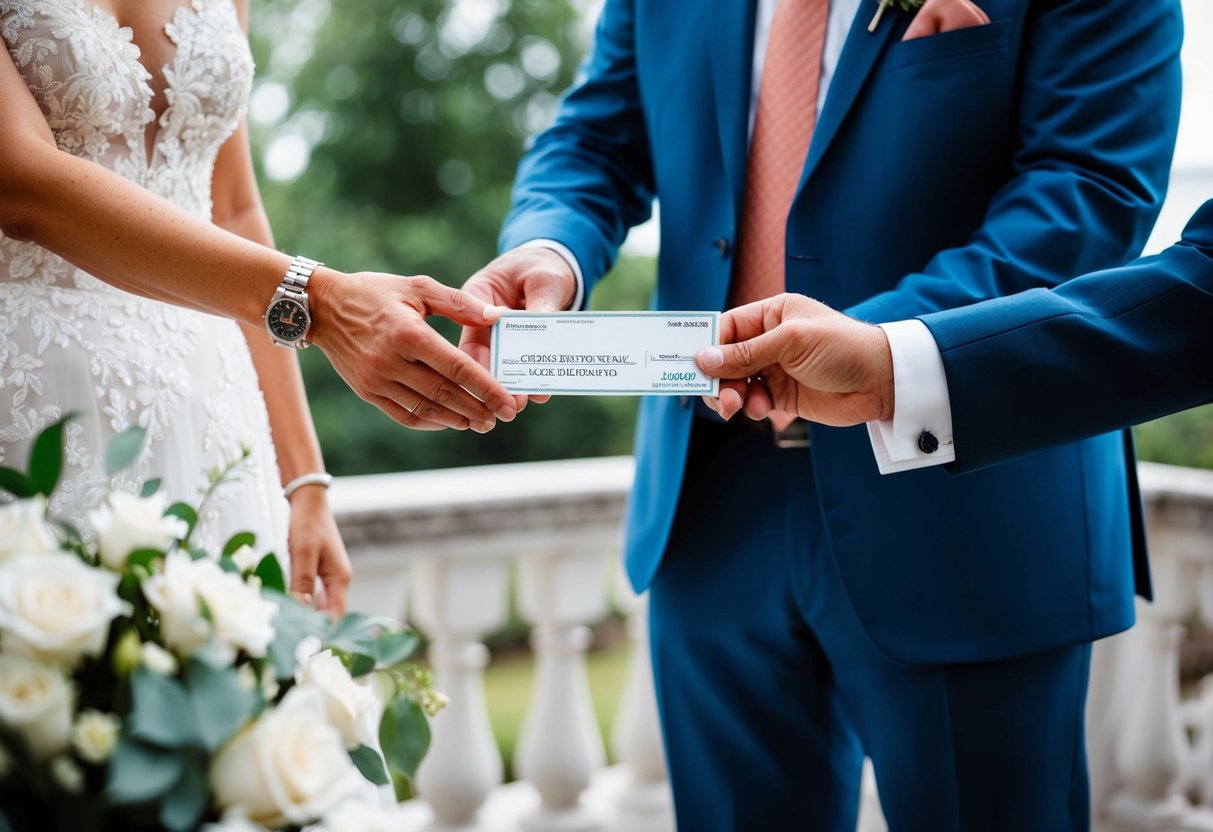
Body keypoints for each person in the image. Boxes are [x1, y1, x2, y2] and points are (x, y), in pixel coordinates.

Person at [458, 0, 1184, 828]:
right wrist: (550, 243)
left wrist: (876, 354)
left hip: (971, 504)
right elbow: (596, 135)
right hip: (710, 499)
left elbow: (1089, 188)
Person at [0, 0, 517, 614]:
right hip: (39, 388)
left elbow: (234, 207)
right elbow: (20, 182)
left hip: (212, 398)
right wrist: (320, 301)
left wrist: (304, 481)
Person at [696, 198, 1213, 474]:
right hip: (703, 490)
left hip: (984, 515)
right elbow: (611, 147)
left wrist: (883, 353)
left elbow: (1086, 196)